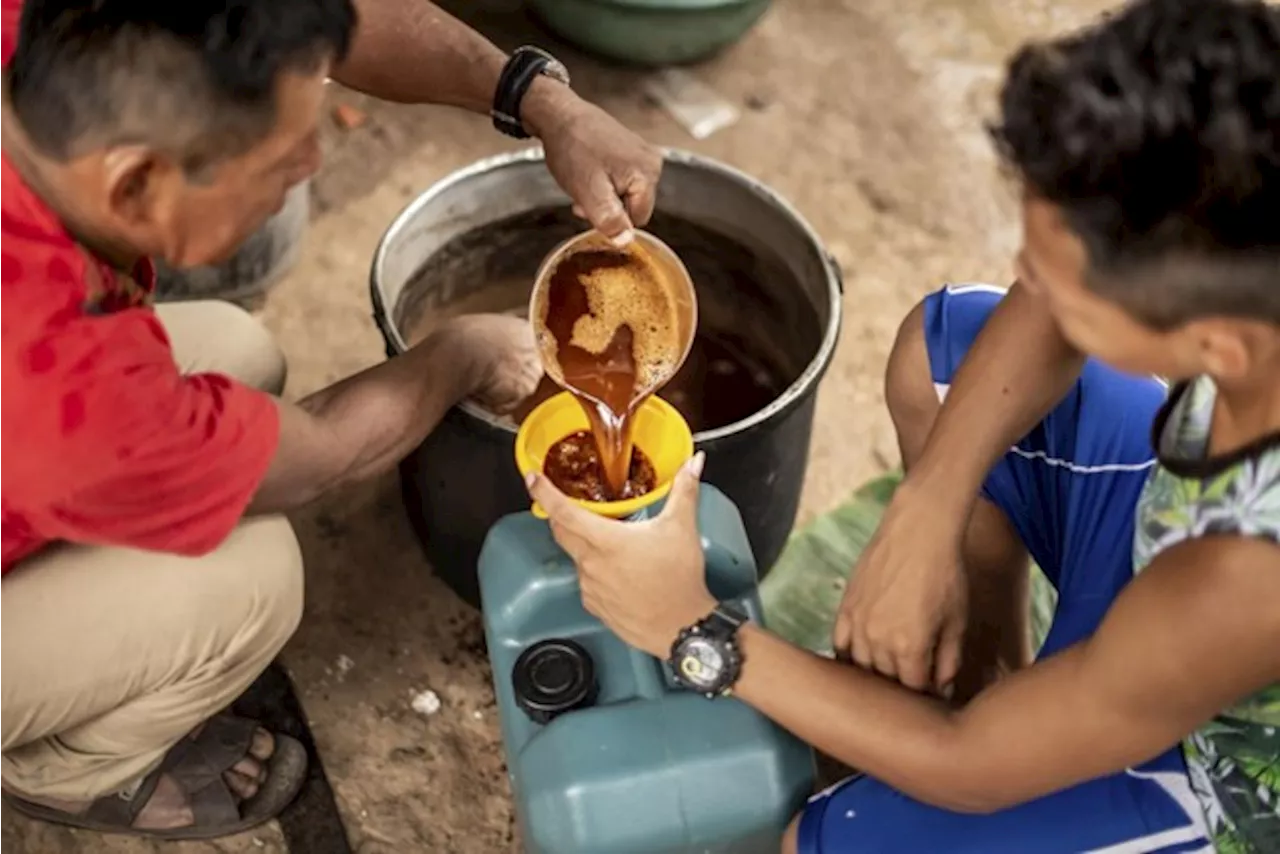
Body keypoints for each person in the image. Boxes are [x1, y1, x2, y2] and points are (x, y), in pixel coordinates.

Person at [528, 0, 1280, 850]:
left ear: (1212, 343)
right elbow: (1033, 312)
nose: (1026, 281)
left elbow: (972, 767)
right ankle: (995, 675)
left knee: (826, 840)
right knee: (945, 353)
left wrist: (692, 631)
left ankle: (1033, 729)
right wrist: (929, 507)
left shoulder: (1245, 578)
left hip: (1227, 782)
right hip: (1166, 577)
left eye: (1060, 282)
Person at [0, 0, 661, 841]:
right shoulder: (61, 374)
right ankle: (59, 769)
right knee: (254, 578)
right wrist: (458, 354)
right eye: (278, 160)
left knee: (236, 352)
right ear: (133, 182)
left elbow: (336, 16)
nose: (313, 160)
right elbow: (319, 460)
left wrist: (544, 101)